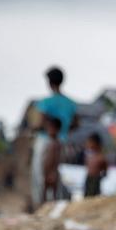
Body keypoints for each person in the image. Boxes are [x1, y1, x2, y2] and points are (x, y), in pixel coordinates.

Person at [30, 66, 77, 208]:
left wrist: (37, 128)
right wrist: (63, 130)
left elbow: (39, 122)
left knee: (40, 176)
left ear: (49, 82)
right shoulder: (70, 104)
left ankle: (41, 206)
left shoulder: (45, 102)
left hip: (46, 141)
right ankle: (53, 205)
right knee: (55, 175)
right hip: (62, 141)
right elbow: (75, 123)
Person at [41, 116, 64, 202]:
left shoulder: (56, 144)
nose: (48, 131)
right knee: (44, 195)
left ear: (57, 129)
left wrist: (52, 173)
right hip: (47, 173)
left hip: (52, 173)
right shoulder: (49, 142)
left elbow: (56, 160)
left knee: (52, 197)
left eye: (50, 128)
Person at [83, 133, 108, 198]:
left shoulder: (101, 157)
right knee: (86, 196)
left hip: (95, 180)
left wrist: (98, 178)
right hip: (88, 178)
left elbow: (105, 171)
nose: (88, 144)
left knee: (93, 197)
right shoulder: (89, 156)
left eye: (90, 142)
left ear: (96, 144)